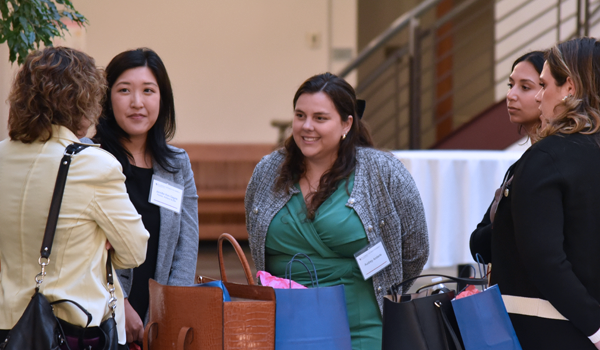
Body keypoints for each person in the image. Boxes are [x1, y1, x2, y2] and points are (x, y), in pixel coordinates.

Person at [245, 72, 429, 349]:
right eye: (300, 116)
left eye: (320, 118)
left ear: (346, 123)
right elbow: (254, 232)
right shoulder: (268, 170)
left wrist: (388, 291)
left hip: (359, 325)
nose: (307, 126)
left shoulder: (382, 170)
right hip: (283, 322)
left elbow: (415, 248)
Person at [0, 47, 149, 348]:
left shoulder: (2, 156)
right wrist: (100, 243)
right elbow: (134, 252)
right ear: (83, 101)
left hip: (6, 326)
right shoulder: (93, 165)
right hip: (70, 329)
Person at [488, 37, 600, 349]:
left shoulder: (547, 157)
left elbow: (545, 259)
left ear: (570, 89)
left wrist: (596, 327)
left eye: (543, 83)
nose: (540, 97)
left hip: (551, 330)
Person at [91, 48, 199, 346]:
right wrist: (118, 303)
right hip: (98, 316)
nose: (137, 102)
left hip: (160, 320)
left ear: (162, 99)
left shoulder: (177, 165)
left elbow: (186, 245)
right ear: (107, 97)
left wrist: (167, 312)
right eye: (124, 90)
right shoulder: (89, 157)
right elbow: (81, 247)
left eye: (148, 91)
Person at [470, 51, 544, 262]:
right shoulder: (519, 166)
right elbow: (479, 246)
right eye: (511, 85)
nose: (511, 95)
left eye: (525, 87)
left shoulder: (549, 162)